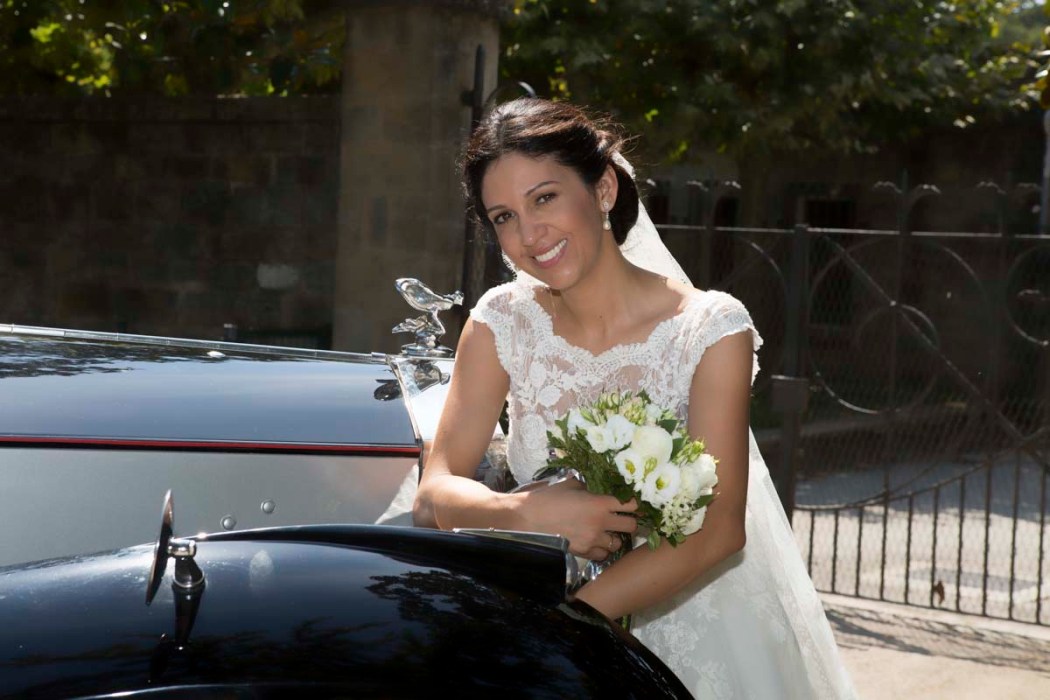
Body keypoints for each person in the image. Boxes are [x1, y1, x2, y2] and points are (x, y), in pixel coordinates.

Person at [413, 97, 857, 699]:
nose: (529, 234)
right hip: (540, 614)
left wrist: (564, 628)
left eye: (544, 198)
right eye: (504, 216)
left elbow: (719, 531)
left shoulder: (709, 329)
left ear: (602, 190)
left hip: (688, 636)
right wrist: (524, 514)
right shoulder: (501, 322)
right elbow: (433, 496)